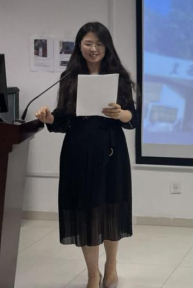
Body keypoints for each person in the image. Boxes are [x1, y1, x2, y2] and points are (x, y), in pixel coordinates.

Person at [35, 22, 137, 288]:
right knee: (86, 211)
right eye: (88, 43)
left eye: (99, 44)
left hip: (111, 151)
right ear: (79, 46)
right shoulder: (70, 77)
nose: (94, 49)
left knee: (111, 208)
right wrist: (49, 117)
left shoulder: (119, 76)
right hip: (78, 151)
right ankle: (93, 273)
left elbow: (132, 117)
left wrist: (121, 113)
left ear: (107, 47)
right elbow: (63, 119)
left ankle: (111, 266)